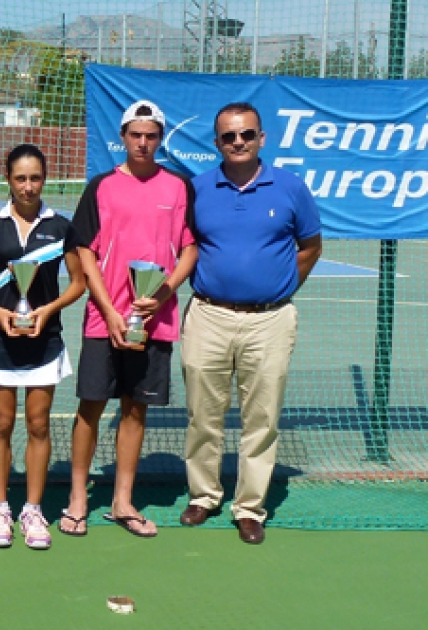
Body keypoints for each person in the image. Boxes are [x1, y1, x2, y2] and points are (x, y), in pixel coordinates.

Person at [180, 102, 322, 544]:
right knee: (204, 414)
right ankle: (204, 496)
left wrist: (278, 291)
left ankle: (249, 507)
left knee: (261, 417)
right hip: (207, 315)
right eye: (228, 136)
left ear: (261, 138)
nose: (237, 142)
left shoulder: (291, 188)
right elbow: (185, 248)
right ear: (216, 143)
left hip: (270, 321)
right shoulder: (198, 188)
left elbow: (310, 247)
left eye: (246, 134)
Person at [61, 100, 198, 538]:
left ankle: (122, 501)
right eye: (135, 135)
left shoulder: (179, 187)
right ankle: (78, 501)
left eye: (151, 135)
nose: (143, 143)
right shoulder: (100, 187)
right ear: (122, 137)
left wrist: (161, 294)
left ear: (160, 139)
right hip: (105, 322)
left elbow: (190, 248)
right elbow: (86, 252)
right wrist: (108, 310)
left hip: (153, 321)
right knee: (91, 409)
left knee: (135, 409)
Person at [0, 144, 85, 550]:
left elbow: (78, 282)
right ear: (8, 179)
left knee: (39, 424)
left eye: (35, 178)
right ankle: (1, 507)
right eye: (20, 178)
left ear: (45, 179)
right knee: (2, 423)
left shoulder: (61, 226)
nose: (28, 186)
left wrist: (47, 310)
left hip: (46, 338)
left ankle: (33, 509)